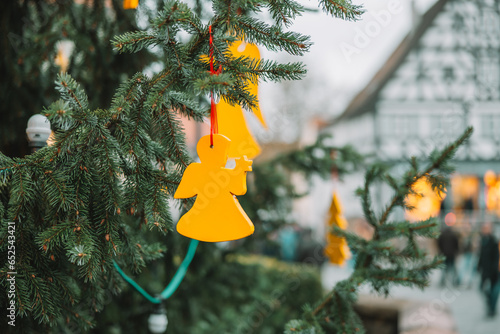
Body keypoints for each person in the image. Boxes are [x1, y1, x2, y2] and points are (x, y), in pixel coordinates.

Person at [477, 222, 500, 317]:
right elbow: (481, 255)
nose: (484, 230)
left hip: (494, 271)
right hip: (485, 270)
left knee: (494, 291)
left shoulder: (494, 241)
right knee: (481, 288)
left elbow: (496, 257)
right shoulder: (483, 241)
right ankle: (490, 305)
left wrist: (495, 269)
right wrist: (478, 266)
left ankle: (492, 308)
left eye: (486, 228)